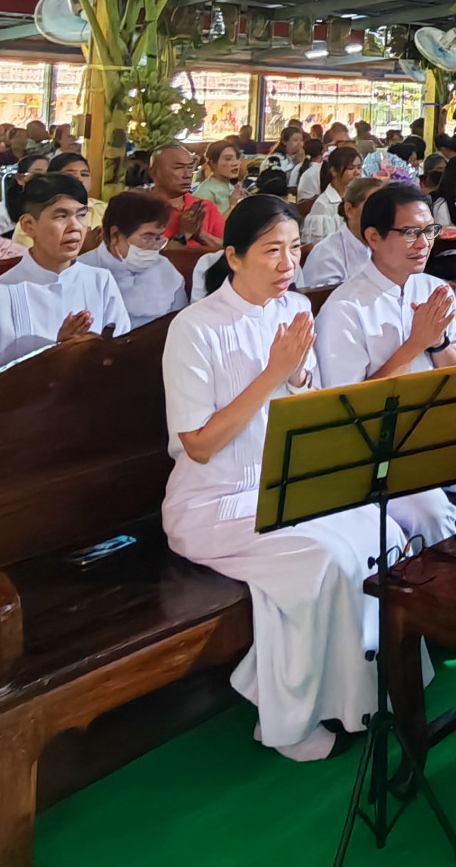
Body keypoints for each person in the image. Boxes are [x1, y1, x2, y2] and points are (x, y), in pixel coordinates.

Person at [164, 194, 398, 761]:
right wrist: (275, 373)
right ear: (234, 256)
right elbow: (199, 445)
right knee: (322, 559)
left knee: (379, 533)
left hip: (285, 486)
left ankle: (359, 700)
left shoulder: (293, 309)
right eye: (272, 250)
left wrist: (297, 383)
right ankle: (289, 721)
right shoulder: (193, 328)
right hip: (215, 501)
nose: (288, 263)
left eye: (294, 248)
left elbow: (305, 402)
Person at [314, 182, 456, 547]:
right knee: (431, 514)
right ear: (373, 237)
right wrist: (415, 344)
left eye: (429, 231)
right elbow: (350, 407)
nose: (423, 243)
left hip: (441, 433)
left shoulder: (434, 289)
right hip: (378, 451)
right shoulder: (345, 309)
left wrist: (437, 342)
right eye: (409, 233)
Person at [0, 174, 128, 375]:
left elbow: (122, 357)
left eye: (81, 215)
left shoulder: (101, 281)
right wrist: (58, 352)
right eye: (61, 216)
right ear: (29, 225)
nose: (75, 227)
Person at [83, 187, 189, 325]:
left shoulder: (167, 271)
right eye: (147, 238)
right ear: (115, 235)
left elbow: (179, 324)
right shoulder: (80, 272)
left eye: (158, 238)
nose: (154, 247)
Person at [298, 176, 381, 290]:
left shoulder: (384, 247)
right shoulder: (328, 256)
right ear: (349, 209)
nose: (381, 215)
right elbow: (326, 298)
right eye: (373, 207)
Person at [143, 144, 225, 249]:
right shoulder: (138, 209)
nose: (188, 175)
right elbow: (141, 255)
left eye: (190, 168)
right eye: (178, 168)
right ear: (153, 172)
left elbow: (230, 251)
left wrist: (202, 235)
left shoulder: (204, 207)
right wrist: (182, 234)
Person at [0, 152, 50, 238]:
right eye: (38, 174)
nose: (47, 180)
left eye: (51, 174)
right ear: (20, 178)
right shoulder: (0, 216)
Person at [301, 146, 363, 248]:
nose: (357, 172)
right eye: (351, 168)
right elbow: (319, 246)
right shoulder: (323, 205)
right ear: (334, 171)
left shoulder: (359, 197)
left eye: (359, 167)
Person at [193, 139, 247, 213]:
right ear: (212, 163)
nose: (236, 163)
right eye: (228, 159)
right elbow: (204, 221)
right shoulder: (204, 193)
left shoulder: (232, 185)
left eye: (237, 158)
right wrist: (232, 206)